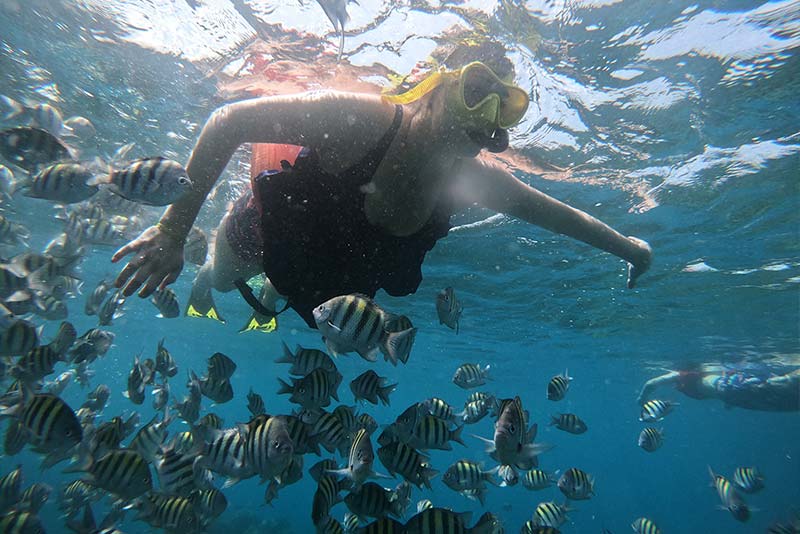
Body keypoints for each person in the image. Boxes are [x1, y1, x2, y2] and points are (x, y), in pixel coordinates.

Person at [111, 60, 653, 329]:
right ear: (436, 89)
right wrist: (172, 230)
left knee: (288, 295)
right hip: (268, 229)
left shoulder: (474, 178)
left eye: (503, 106)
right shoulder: (360, 121)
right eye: (475, 93)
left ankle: (275, 292)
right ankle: (212, 274)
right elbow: (228, 120)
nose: (487, 116)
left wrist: (632, 249)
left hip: (341, 273)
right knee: (224, 285)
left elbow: (560, 218)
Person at [637, 360, 800, 412]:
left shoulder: (679, 375)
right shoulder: (695, 376)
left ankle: (787, 379)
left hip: (730, 389)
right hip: (731, 391)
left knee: (777, 388)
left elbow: (650, 383)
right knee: (786, 402)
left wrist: (642, 398)